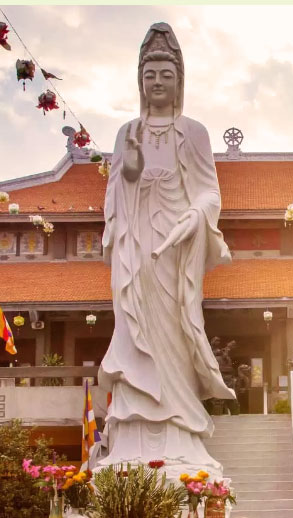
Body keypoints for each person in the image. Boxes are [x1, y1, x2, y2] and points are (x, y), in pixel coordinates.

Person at [98, 22, 235, 475]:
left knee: (174, 332)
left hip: (176, 250)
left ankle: (180, 429)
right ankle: (131, 434)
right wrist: (133, 168)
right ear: (140, 81)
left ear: (180, 81)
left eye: (166, 74)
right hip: (135, 250)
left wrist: (195, 217)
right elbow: (117, 191)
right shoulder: (126, 133)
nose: (157, 83)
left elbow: (209, 193)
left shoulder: (193, 132)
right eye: (149, 75)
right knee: (135, 331)